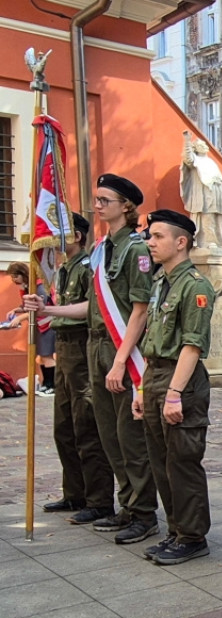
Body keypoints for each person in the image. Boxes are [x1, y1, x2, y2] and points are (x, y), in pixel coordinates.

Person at [132, 210, 217, 565]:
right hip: (155, 376)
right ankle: (177, 530)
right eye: (150, 236)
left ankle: (193, 536)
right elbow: (152, 338)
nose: (150, 242)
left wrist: (173, 394)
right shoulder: (160, 283)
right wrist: (142, 391)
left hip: (180, 381)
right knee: (161, 461)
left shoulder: (194, 285)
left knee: (182, 462)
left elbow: (192, 345)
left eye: (157, 236)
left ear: (180, 242)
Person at [84, 174, 159, 539]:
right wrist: (50, 312)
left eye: (104, 200)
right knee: (108, 434)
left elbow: (140, 310)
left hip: (122, 350)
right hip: (97, 344)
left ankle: (144, 513)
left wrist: (119, 360)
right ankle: (128, 505)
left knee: (129, 436)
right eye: (96, 199)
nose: (97, 205)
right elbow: (95, 304)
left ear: (126, 207)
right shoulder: (103, 248)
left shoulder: (136, 250)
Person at [27, 213, 115, 520]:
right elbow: (59, 308)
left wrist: (48, 308)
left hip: (80, 346)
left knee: (86, 425)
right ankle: (74, 494)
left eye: (59, 235)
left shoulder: (89, 267)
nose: (53, 242)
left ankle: (99, 500)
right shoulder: (64, 268)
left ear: (77, 236)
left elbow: (91, 307)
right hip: (63, 345)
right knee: (64, 428)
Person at [4, 262, 56, 396]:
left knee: (47, 355)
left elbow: (39, 309)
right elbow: (27, 307)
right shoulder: (27, 287)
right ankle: (46, 383)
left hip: (47, 325)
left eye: (15, 276)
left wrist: (19, 319)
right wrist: (16, 310)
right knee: (41, 356)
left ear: (23, 274)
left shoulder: (39, 287)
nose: (14, 280)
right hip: (39, 326)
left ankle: (52, 385)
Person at [180, 130, 222, 253]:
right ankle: (209, 242)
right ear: (196, 149)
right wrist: (187, 141)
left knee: (219, 218)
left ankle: (221, 241)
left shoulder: (211, 161)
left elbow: (220, 177)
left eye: (205, 144)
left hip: (217, 191)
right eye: (201, 145)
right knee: (207, 217)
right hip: (204, 193)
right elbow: (187, 157)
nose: (205, 146)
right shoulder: (195, 159)